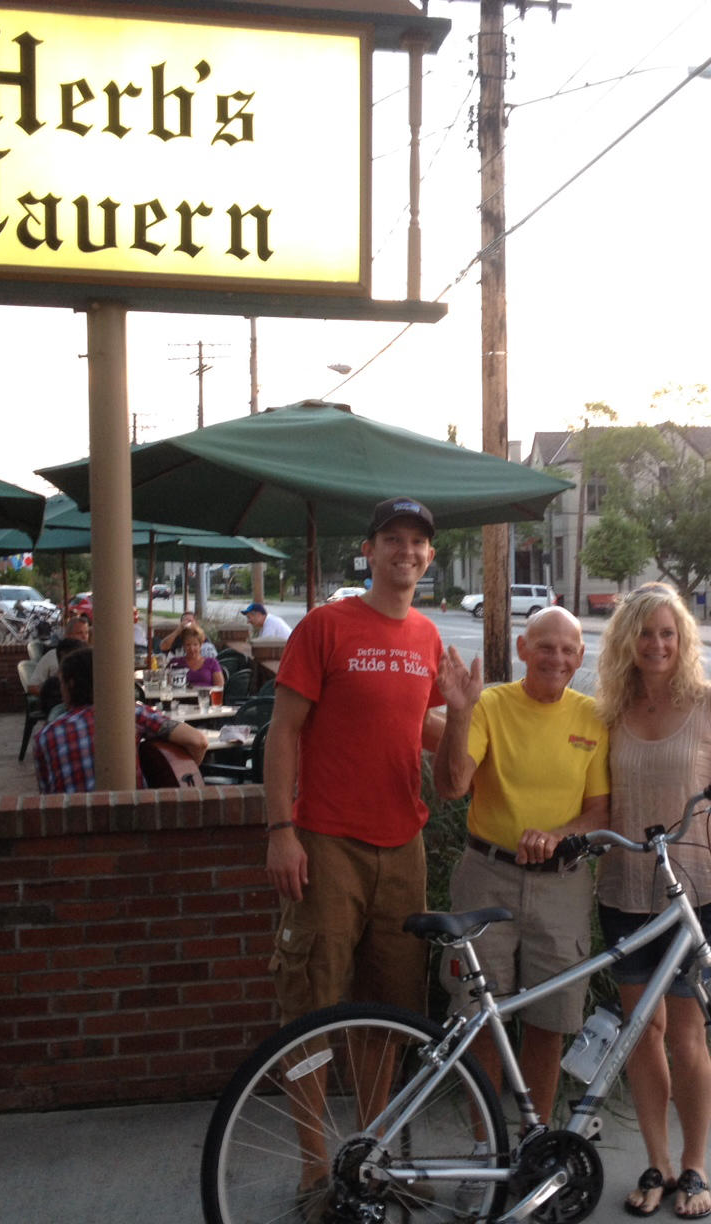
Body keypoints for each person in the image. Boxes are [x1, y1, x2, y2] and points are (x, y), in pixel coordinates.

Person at [263, 496, 447, 1211]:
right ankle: (314, 1167)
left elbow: (417, 729)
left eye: (418, 542)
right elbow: (283, 732)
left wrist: (486, 740)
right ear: (369, 551)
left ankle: (369, 1155)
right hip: (327, 843)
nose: (407, 550)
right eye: (393, 539)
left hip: (404, 847)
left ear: (429, 558)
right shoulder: (325, 626)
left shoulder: (428, 636)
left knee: (387, 1012)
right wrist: (282, 828)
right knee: (313, 1004)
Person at [594, 583, 711, 1221]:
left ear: (683, 638)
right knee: (643, 1034)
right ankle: (657, 1163)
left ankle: (694, 1165)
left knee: (688, 1034)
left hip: (699, 896)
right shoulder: (609, 711)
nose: (657, 644)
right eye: (645, 633)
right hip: (626, 893)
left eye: (668, 633)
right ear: (627, 641)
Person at [432, 606, 610, 1124]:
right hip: (488, 878)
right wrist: (460, 711)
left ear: (580, 656)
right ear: (522, 649)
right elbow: (451, 786)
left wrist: (558, 836)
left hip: (563, 886)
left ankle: (535, 1144)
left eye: (567, 648)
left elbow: (600, 810)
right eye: (545, 645)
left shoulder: (591, 717)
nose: (556, 657)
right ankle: (487, 1148)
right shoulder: (489, 705)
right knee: (480, 1021)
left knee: (548, 1023)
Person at [32, 647, 208, 794]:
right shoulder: (129, 713)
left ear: (70, 685)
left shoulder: (43, 737)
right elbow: (198, 741)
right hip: (132, 823)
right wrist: (180, 770)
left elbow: (47, 799)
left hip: (74, 830)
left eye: (61, 683)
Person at [28, 615, 91, 695]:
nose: (84, 637)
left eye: (86, 633)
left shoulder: (91, 656)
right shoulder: (52, 656)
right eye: (79, 633)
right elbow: (32, 687)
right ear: (68, 635)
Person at [168, 625, 224, 689]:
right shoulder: (175, 662)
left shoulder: (212, 662)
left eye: (195, 644)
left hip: (206, 697)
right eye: (188, 645)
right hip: (181, 698)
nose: (191, 648)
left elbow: (220, 687)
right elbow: (166, 684)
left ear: (201, 645)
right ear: (183, 646)